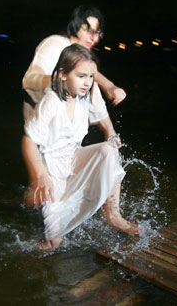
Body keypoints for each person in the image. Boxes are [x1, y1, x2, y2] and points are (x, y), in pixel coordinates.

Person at [23, 44, 142, 250]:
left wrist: (112, 136)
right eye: (81, 76)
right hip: (52, 170)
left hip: (74, 158)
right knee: (54, 241)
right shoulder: (52, 101)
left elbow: (104, 120)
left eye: (91, 76)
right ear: (62, 75)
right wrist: (40, 176)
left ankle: (113, 215)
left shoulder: (86, 94)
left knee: (108, 150)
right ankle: (28, 254)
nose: (87, 82)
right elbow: (28, 141)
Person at [22, 5, 125, 121]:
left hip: (65, 123)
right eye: (90, 31)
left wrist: (111, 134)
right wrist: (62, 80)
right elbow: (28, 80)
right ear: (75, 26)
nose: (94, 39)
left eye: (97, 33)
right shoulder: (55, 44)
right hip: (39, 119)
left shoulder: (84, 60)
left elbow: (97, 106)